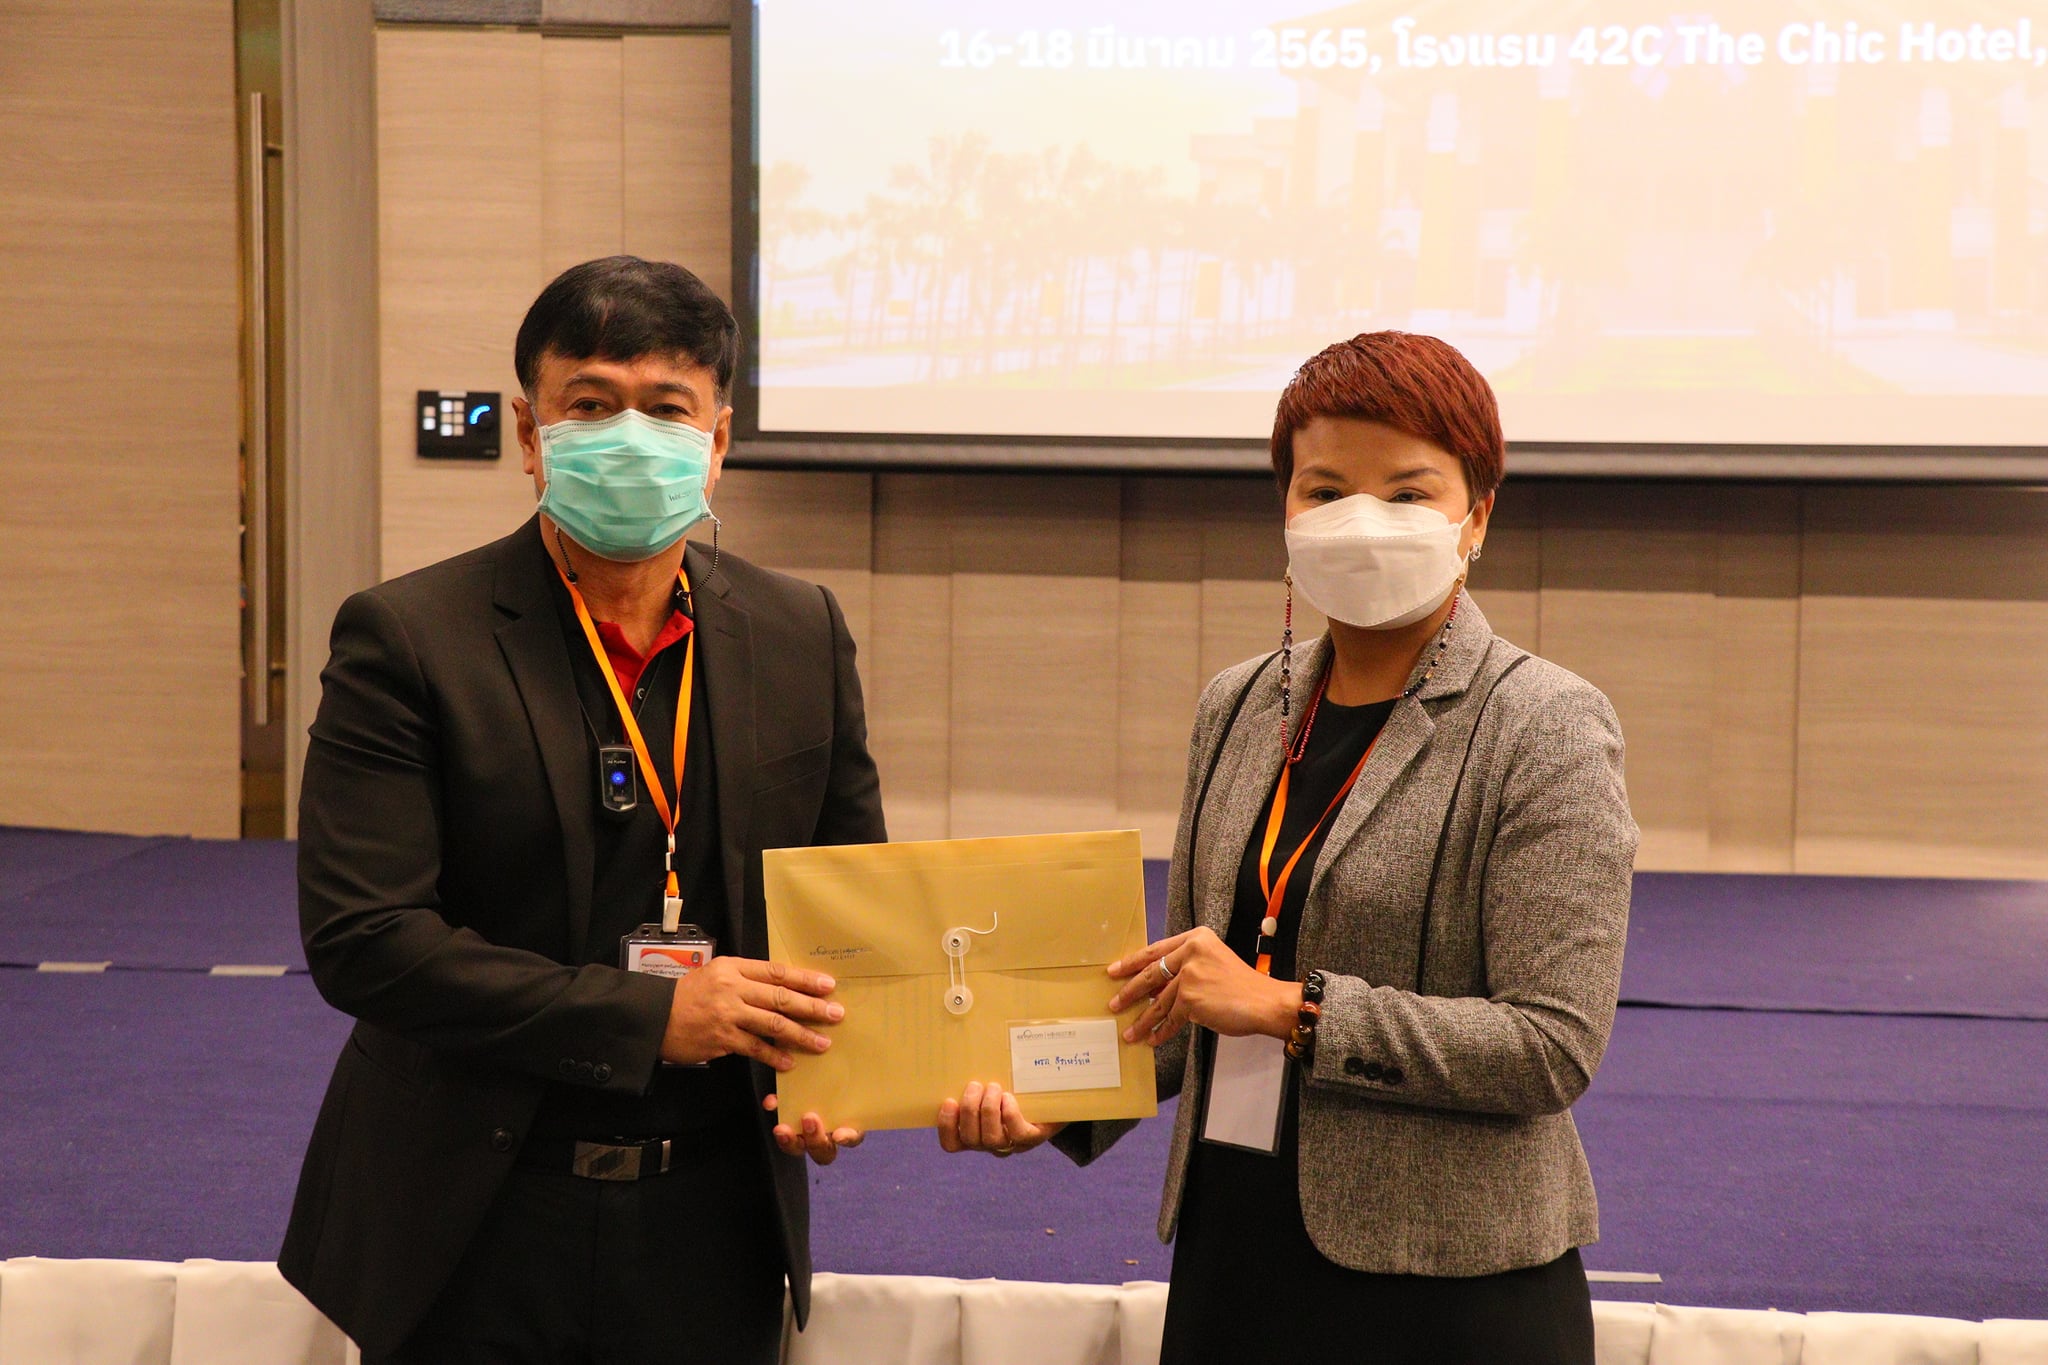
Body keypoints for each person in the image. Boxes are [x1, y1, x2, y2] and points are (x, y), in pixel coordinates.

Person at [937, 332, 1637, 1365]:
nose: (1363, 521)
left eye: (1408, 493)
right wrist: (1049, 1097)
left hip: (1446, 1287)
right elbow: (1188, 990)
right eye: (1325, 490)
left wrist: (1290, 1009)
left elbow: (1548, 1047)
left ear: (1477, 517)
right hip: (1234, 1252)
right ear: (1286, 511)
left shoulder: (1544, 723)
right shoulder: (1238, 705)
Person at [280, 256, 881, 1365]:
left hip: (716, 1220)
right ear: (529, 430)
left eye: (667, 409)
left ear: (718, 439)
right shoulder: (408, 638)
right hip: (473, 1212)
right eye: (592, 405)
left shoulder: (801, 630)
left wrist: (850, 1067)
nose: (630, 437)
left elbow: (850, 904)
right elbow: (366, 939)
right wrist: (650, 1017)